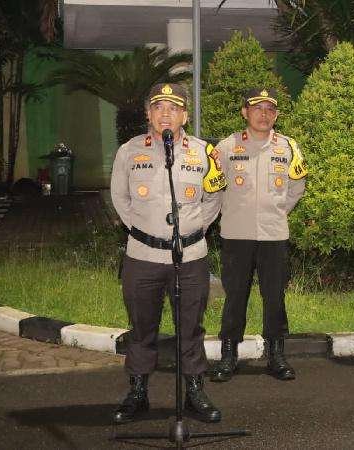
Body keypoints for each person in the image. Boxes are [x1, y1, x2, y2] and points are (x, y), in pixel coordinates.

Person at [110, 83, 227, 423]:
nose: (165, 114)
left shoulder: (205, 153)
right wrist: (145, 232)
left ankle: (194, 392)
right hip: (142, 257)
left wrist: (193, 230)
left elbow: (214, 198)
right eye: (159, 107)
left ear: (185, 116)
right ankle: (138, 392)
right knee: (141, 327)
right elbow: (120, 198)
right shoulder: (129, 152)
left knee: (190, 328)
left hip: (189, 258)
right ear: (148, 114)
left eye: (173, 108)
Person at [209, 88, 307, 383]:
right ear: (245, 112)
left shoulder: (288, 147)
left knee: (275, 297)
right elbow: (215, 188)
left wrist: (276, 211)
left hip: (273, 235)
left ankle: (276, 355)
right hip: (236, 235)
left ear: (276, 115)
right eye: (257, 108)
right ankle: (228, 355)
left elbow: (296, 187)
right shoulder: (226, 147)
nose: (264, 114)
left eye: (270, 109)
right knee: (235, 296)